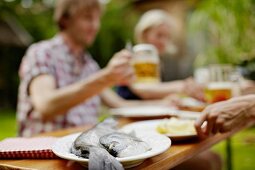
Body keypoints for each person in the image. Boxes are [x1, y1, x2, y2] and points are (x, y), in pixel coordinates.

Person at [17, 0, 172, 137]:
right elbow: (46, 105)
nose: (95, 26)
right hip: (41, 155)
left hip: (82, 152)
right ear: (65, 19)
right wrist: (106, 77)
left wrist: (164, 104)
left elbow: (120, 104)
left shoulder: (90, 65)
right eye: (87, 17)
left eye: (97, 19)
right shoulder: (42, 53)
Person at [116, 9, 203, 101]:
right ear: (145, 34)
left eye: (167, 37)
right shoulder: (131, 57)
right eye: (159, 35)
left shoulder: (159, 62)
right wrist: (182, 86)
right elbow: (143, 91)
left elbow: (155, 94)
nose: (163, 42)